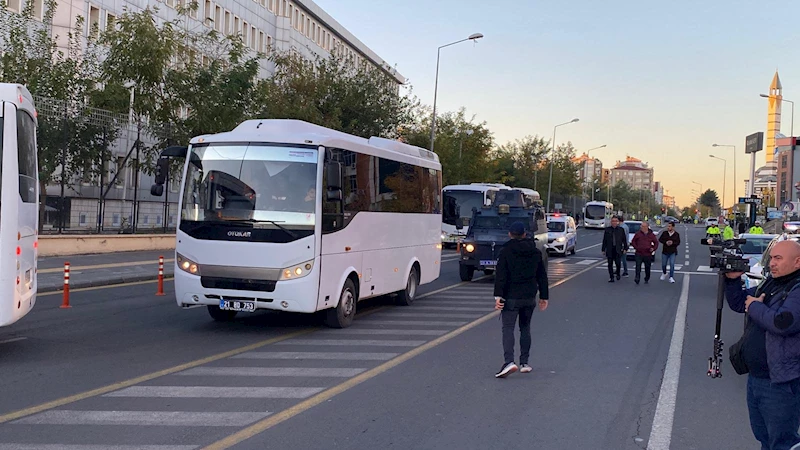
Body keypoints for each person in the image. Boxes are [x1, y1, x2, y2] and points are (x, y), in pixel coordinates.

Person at [725, 240, 800, 450]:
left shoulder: (797, 288)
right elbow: (742, 303)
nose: (772, 263)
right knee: (765, 438)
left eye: (778, 258)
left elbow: (782, 323)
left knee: (782, 442)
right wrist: (732, 281)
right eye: (771, 258)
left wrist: (756, 307)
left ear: (797, 262)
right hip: (757, 377)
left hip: (781, 381)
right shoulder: (772, 283)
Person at [493, 221, 549, 378]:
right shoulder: (535, 252)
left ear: (510, 234)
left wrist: (498, 296)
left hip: (511, 297)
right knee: (525, 328)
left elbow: (501, 277)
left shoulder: (506, 251)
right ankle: (525, 363)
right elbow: (542, 276)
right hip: (529, 297)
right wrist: (544, 296)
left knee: (508, 328)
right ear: (525, 234)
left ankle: (509, 361)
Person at [602, 216, 628, 283]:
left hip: (617, 249)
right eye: (613, 221)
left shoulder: (621, 230)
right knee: (610, 264)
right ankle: (611, 277)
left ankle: (618, 274)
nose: (614, 222)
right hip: (610, 249)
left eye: (615, 221)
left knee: (618, 263)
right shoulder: (607, 230)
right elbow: (605, 240)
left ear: (617, 222)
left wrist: (625, 248)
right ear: (611, 222)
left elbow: (624, 240)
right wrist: (603, 249)